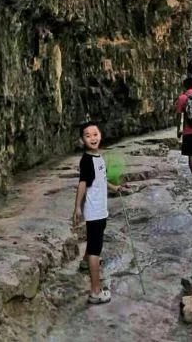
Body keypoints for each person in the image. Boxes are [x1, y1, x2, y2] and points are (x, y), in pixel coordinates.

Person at [73, 121, 119, 305]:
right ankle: (95, 291)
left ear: (100, 135)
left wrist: (113, 187)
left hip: (101, 209)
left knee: (94, 241)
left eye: (95, 134)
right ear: (82, 140)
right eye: (88, 135)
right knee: (95, 249)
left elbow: (100, 179)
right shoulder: (86, 160)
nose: (92, 138)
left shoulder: (99, 158)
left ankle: (85, 263)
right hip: (94, 211)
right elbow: (83, 183)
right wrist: (77, 208)